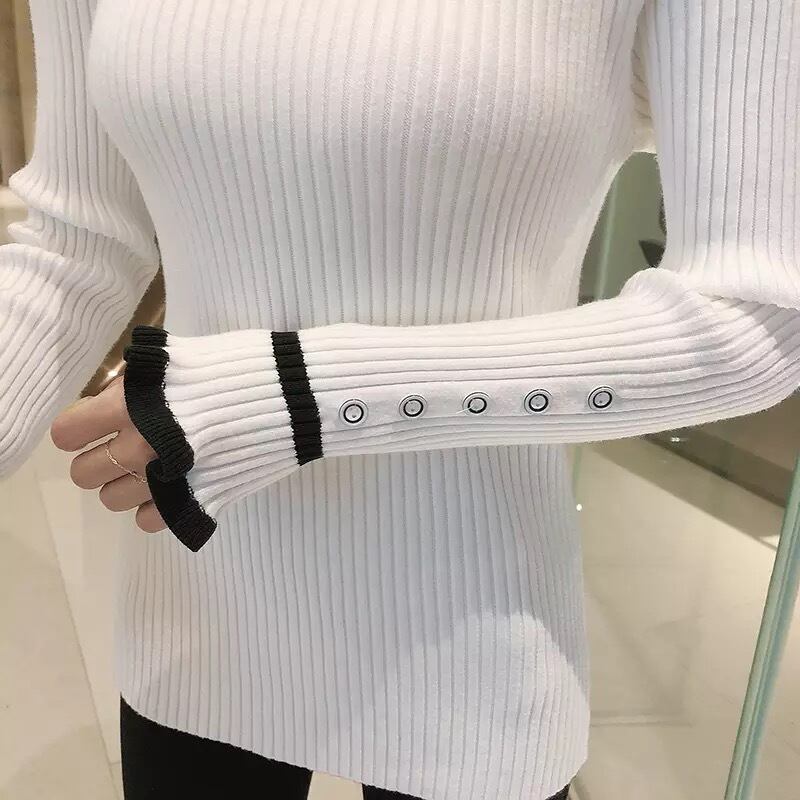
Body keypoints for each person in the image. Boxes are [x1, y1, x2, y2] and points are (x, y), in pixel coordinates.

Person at [2, 0, 798, 798]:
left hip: (472, 625)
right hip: (194, 601)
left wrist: (297, 395)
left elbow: (753, 320)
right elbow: (81, 239)